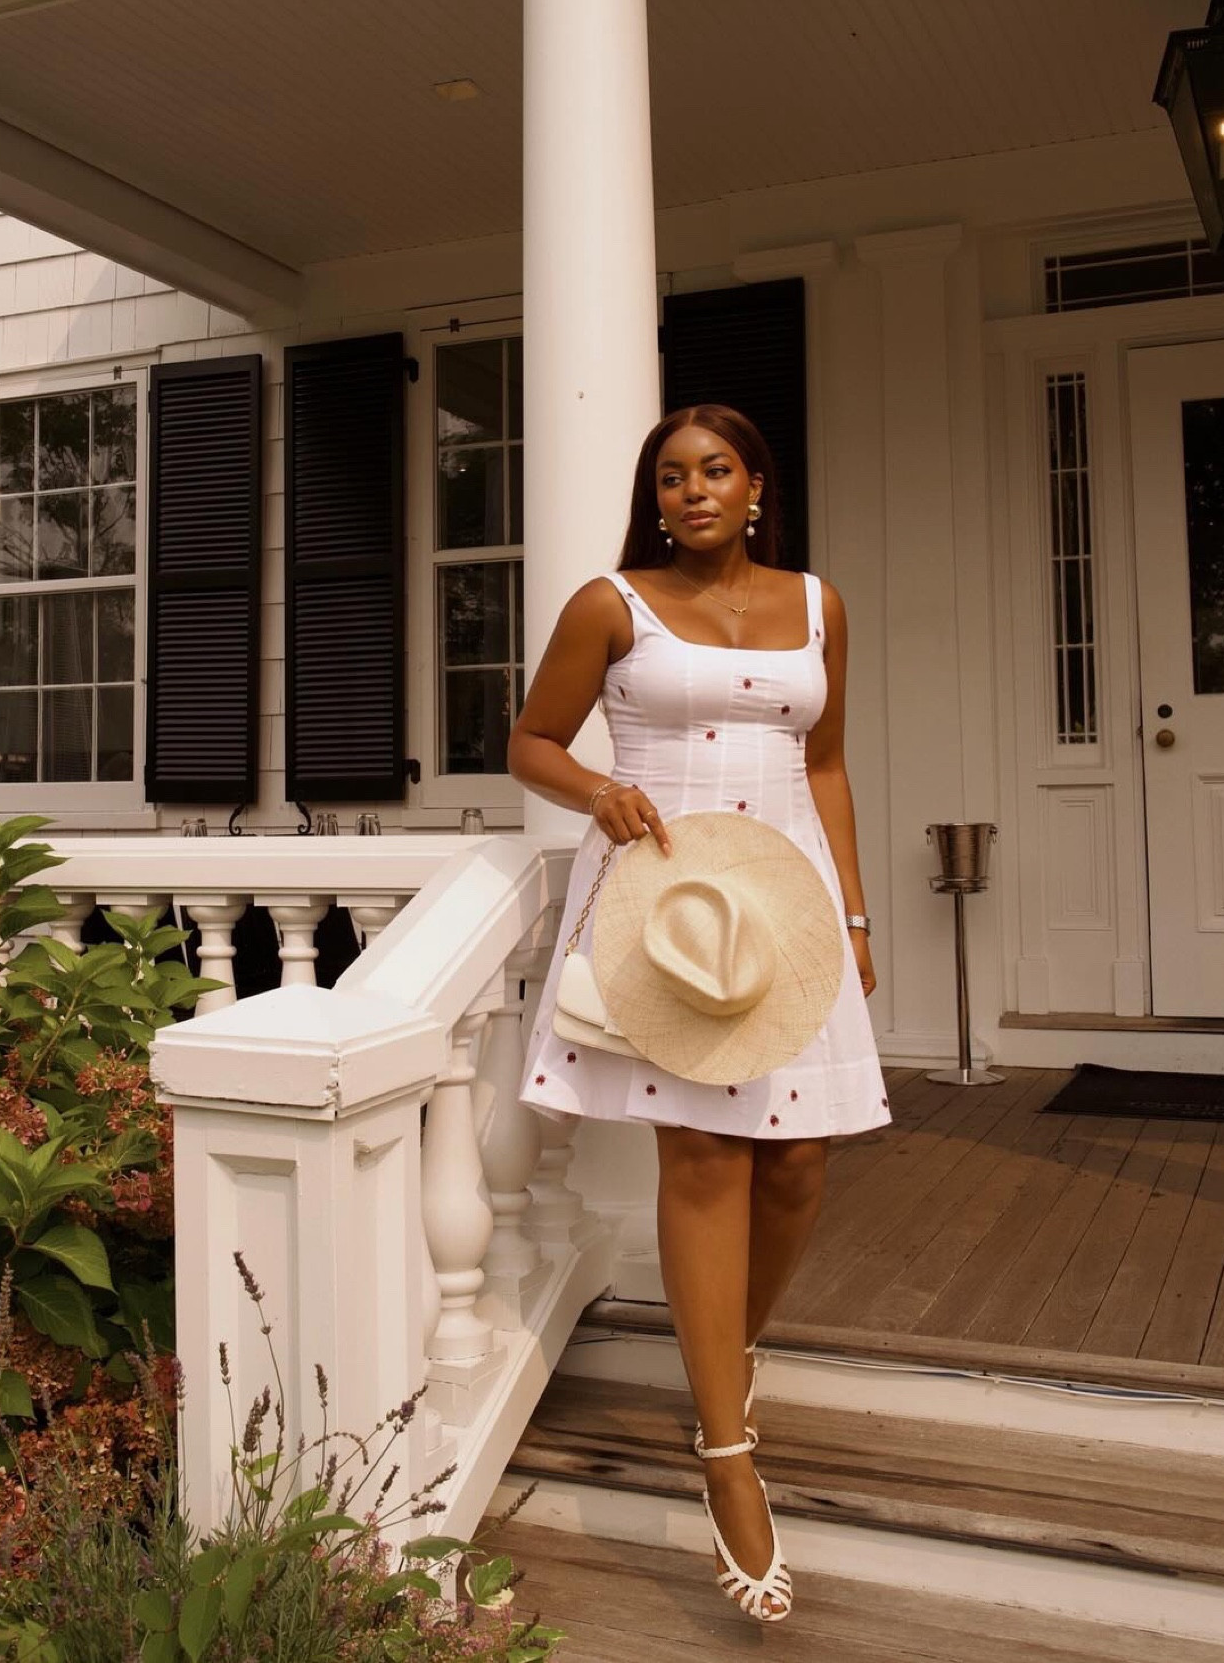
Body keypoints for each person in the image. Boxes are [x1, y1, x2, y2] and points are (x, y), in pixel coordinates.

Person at [508, 403, 887, 1625]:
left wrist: (858, 915)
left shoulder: (819, 604)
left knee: (799, 1167)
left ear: (756, 483)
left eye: (714, 468)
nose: (691, 490)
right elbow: (528, 739)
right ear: (653, 496)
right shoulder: (608, 603)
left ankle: (724, 1357)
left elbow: (824, 764)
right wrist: (597, 787)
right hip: (664, 901)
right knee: (707, 1154)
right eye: (669, 476)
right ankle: (725, 1446)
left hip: (785, 900)